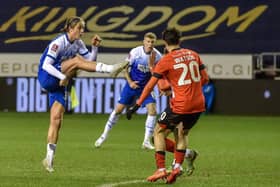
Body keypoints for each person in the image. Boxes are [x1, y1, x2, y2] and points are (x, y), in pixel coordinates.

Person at [38, 16, 128, 173]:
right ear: (70, 29)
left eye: (83, 28)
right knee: (76, 61)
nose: (82, 31)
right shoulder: (58, 42)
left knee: (56, 119)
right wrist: (63, 77)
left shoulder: (78, 43)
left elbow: (89, 62)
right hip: (47, 76)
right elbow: (46, 65)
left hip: (59, 82)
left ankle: (49, 158)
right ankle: (110, 69)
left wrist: (94, 48)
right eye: (80, 28)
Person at [126, 28, 209, 184]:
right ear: (180, 40)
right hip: (198, 104)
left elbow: (150, 86)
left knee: (158, 133)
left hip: (180, 104)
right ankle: (177, 166)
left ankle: (161, 169)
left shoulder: (166, 59)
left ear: (164, 42)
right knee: (182, 134)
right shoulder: (194, 54)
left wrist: (137, 105)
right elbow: (205, 79)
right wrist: (187, 86)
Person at [94, 32, 162, 150]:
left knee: (152, 110)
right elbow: (125, 68)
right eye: (148, 42)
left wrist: (160, 86)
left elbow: (158, 73)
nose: (150, 44)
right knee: (118, 110)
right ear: (144, 42)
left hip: (146, 88)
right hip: (131, 86)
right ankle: (103, 136)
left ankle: (146, 141)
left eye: (152, 42)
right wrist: (130, 82)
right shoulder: (136, 52)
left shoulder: (157, 56)